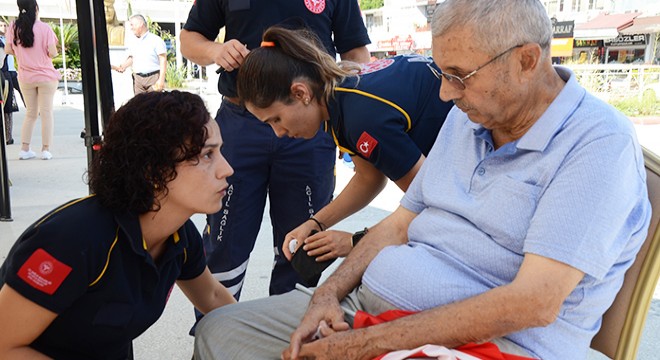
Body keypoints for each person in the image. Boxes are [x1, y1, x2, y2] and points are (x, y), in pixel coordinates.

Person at [193, 1, 652, 359]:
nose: (445, 93)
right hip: (376, 312)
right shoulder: (471, 117)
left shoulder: (596, 145)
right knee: (220, 330)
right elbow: (400, 221)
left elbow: (533, 304)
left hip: (491, 345)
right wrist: (327, 293)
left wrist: (367, 345)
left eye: (459, 76)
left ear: (527, 61)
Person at [0, 90, 236, 359]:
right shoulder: (73, 240)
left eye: (220, 152)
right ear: (154, 171)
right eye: (207, 155)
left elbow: (214, 298)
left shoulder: (179, 237)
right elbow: (4, 346)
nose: (226, 168)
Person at [180, 0, 371, 300]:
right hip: (240, 121)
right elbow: (189, 39)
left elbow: (357, 55)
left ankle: (288, 336)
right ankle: (216, 333)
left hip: (309, 122)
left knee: (303, 245)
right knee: (224, 240)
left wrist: (356, 114)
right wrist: (216, 51)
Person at [236, 27, 453, 268]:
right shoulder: (339, 94)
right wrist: (316, 223)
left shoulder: (360, 119)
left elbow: (429, 204)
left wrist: (354, 241)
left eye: (276, 119)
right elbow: (369, 177)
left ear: (300, 93)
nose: (278, 133)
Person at [5, 0, 60, 160]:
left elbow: (8, 49)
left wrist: (24, 56)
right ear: (36, 8)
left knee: (30, 113)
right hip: (46, 77)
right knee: (47, 112)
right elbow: (53, 53)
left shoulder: (13, 27)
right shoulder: (45, 28)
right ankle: (45, 149)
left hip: (25, 76)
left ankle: (25, 148)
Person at [113, 14, 166, 94]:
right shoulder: (132, 41)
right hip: (138, 80)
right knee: (139, 105)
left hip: (153, 79)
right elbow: (132, 58)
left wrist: (161, 79)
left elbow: (163, 60)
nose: (131, 28)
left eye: (132, 25)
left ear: (140, 24)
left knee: (154, 104)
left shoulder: (156, 40)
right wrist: (122, 66)